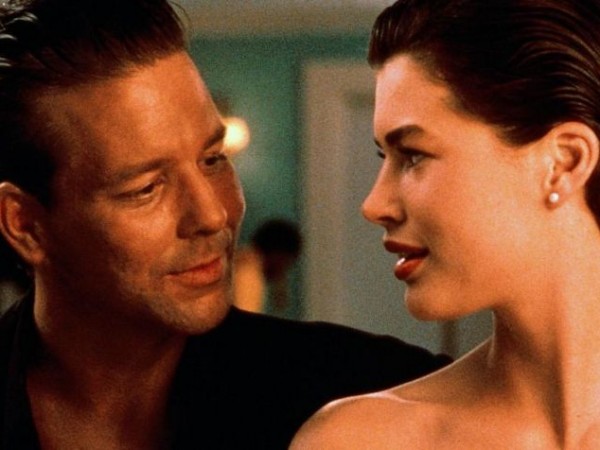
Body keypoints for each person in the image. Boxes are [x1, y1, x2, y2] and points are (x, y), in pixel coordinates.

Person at [0, 1, 451, 448]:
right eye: (146, 188)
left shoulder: (365, 391)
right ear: (25, 225)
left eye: (214, 159)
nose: (213, 214)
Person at [291, 0, 600, 448]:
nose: (374, 205)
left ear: (564, 162)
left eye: (413, 155)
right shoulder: (358, 440)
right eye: (384, 156)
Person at [233, 218, 301, 313]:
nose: (283, 272)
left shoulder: (237, 262)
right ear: (279, 256)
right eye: (287, 263)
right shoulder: (248, 274)